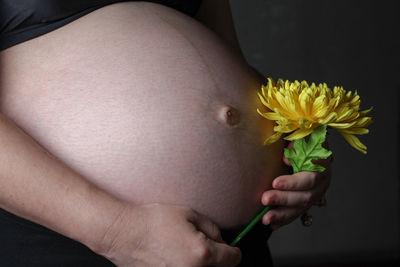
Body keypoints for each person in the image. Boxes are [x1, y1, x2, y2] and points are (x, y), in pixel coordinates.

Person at [0, 0, 332, 266]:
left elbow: (226, 58)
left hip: (237, 245)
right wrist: (118, 233)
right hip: (85, 240)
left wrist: (296, 135)